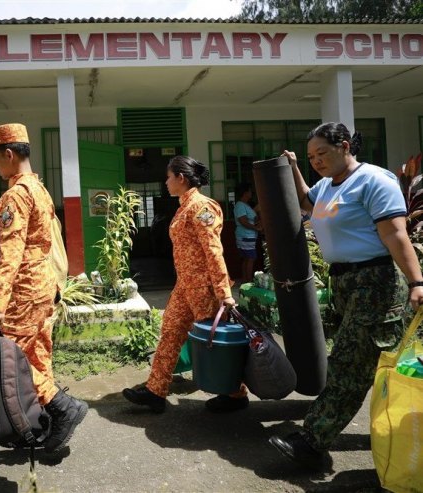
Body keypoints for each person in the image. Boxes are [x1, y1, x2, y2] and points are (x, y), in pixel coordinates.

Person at [269, 122, 423, 471]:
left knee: (348, 365)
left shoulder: (373, 181)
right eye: (311, 157)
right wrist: (293, 167)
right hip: (344, 283)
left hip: (376, 284)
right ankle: (402, 425)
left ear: (345, 146)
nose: (316, 161)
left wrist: (417, 282)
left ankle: (312, 442)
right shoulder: (327, 186)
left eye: (322, 153)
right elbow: (309, 201)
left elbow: (396, 235)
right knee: (377, 363)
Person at [0, 123, 87, 453]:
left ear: (9, 154)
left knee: (13, 363)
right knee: (38, 356)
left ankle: (63, 408)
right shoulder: (39, 189)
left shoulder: (14, 196)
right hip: (45, 284)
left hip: (23, 291)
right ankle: (42, 421)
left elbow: (11, 253)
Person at [122, 155, 246, 414]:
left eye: (168, 177)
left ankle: (235, 393)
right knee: (170, 332)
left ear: (181, 177)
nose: (166, 182)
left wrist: (224, 292)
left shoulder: (202, 207)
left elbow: (213, 251)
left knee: (214, 341)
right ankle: (156, 390)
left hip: (204, 288)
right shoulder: (183, 206)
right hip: (185, 286)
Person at [233, 182, 261, 284]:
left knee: (247, 258)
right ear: (245, 193)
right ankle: (248, 280)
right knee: (250, 258)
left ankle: (246, 279)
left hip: (248, 235)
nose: (251, 193)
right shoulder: (240, 205)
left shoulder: (245, 205)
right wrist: (256, 228)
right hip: (245, 235)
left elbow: (251, 218)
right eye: (249, 191)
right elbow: (243, 221)